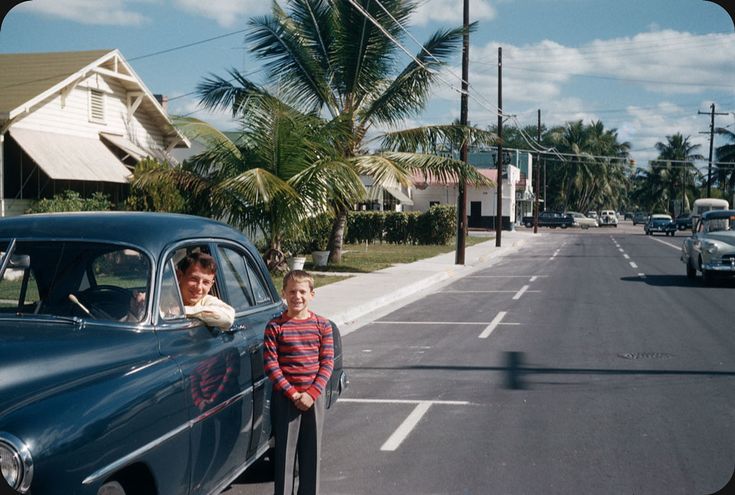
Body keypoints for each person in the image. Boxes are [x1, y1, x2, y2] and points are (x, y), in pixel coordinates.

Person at [264, 270, 334, 495]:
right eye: (292, 291)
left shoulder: (322, 325)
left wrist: (312, 393)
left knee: (311, 455)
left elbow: (327, 363)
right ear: (283, 293)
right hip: (285, 399)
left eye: (303, 291)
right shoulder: (275, 327)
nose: (297, 296)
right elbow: (271, 365)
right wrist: (293, 394)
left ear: (312, 294)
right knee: (284, 456)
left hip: (314, 398)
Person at [176, 251, 235, 330]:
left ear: (211, 285)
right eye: (194, 279)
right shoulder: (160, 299)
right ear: (179, 276)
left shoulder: (207, 301)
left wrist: (183, 311)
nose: (199, 287)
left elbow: (228, 317)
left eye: (206, 282)